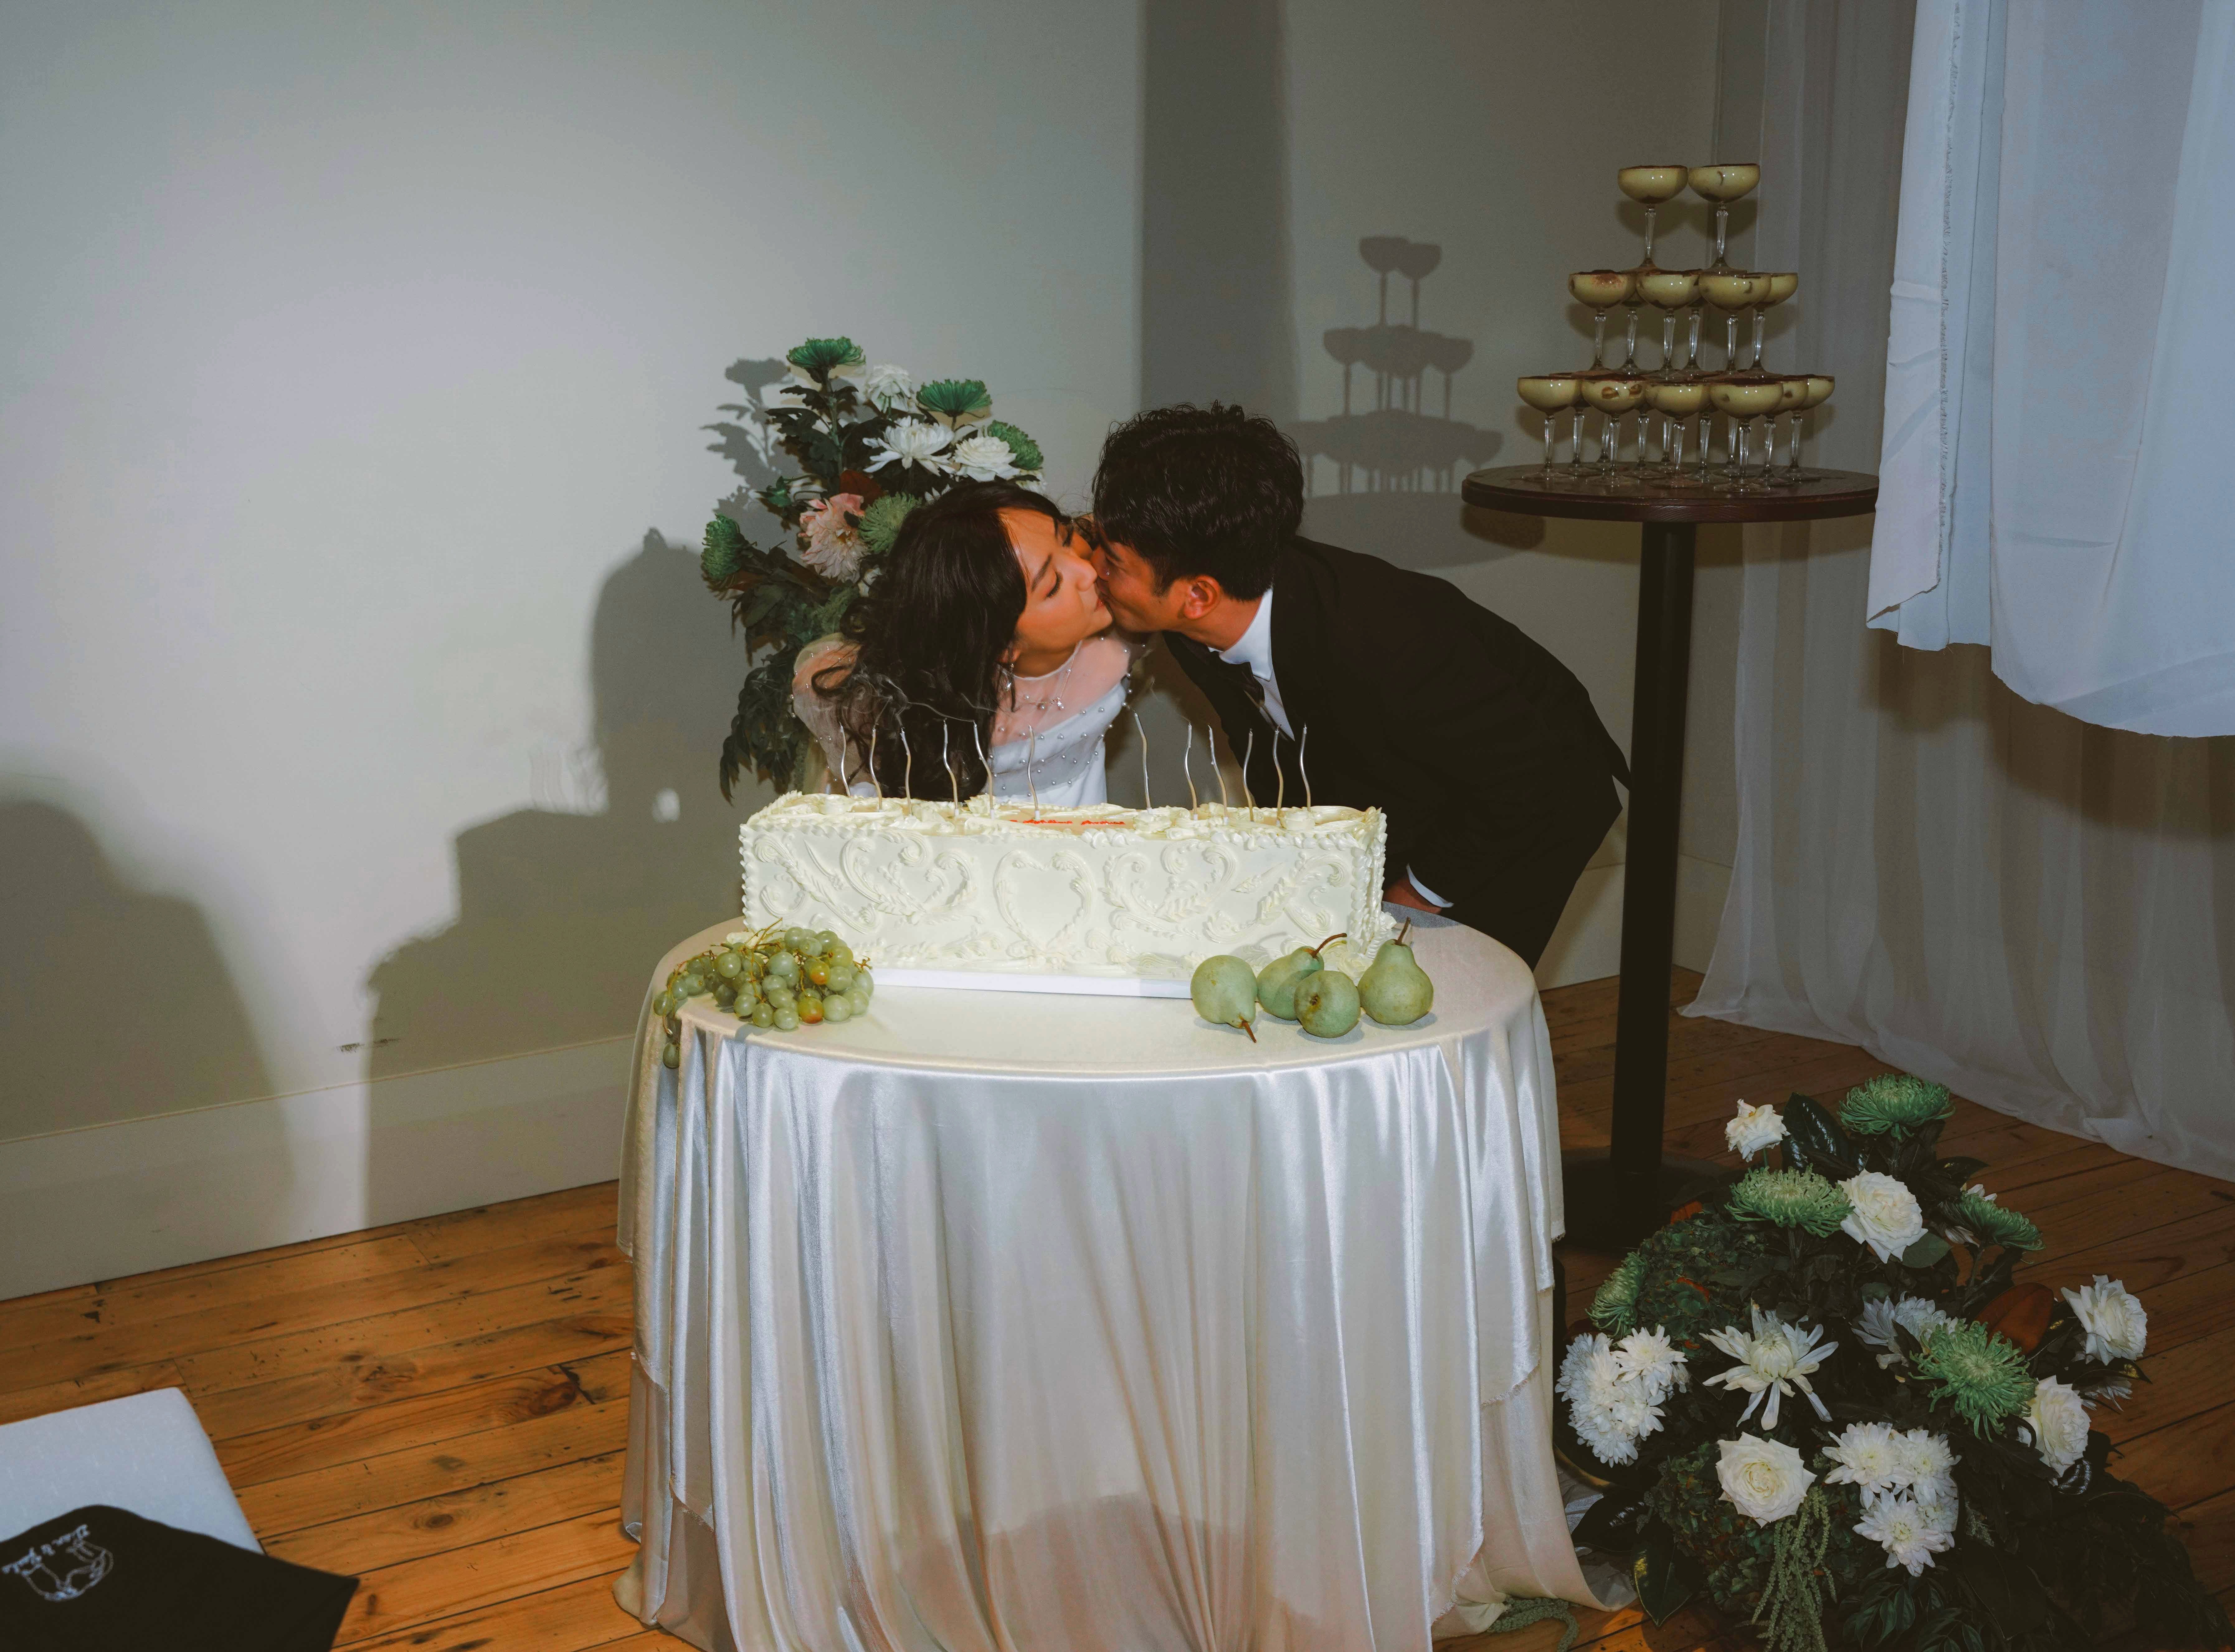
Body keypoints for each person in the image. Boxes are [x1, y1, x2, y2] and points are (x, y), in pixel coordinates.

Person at [1086, 403, 1627, 968]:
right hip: (1415, 779)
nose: (1095, 567)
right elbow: (1276, 745)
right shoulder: (1199, 619)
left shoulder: (1387, 643)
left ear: (1198, 595)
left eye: (1113, 561)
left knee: (1439, 987)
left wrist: (1414, 895)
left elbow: (1522, 776)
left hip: (1537, 791)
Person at [794, 479, 1142, 808]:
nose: (1088, 572)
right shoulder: (921, 706)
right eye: (1052, 585)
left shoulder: (1122, 633)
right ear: (1001, 644)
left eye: (1066, 539)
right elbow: (813, 685)